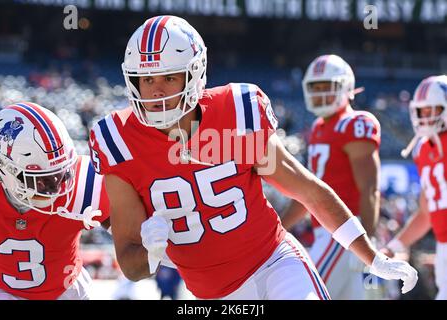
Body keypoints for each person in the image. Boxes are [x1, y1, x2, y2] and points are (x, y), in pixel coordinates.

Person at [89, 15, 417, 300]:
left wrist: (373, 257)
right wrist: (150, 251)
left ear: (194, 74)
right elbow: (131, 265)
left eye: (169, 77)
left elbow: (309, 192)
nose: (157, 91)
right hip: (208, 293)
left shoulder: (236, 113)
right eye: (147, 80)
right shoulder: (119, 143)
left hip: (274, 263)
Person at [280, 54, 381, 299]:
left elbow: (369, 188)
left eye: (328, 87)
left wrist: (366, 242)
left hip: (344, 230)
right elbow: (308, 192)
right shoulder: (317, 128)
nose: (321, 94)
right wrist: (278, 227)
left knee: (305, 293)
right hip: (326, 232)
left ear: (346, 86)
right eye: (316, 88)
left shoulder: (355, 123)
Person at [0, 102, 110, 300]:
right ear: (4, 170)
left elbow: (133, 237)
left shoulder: (85, 183)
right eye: (41, 180)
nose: (56, 189)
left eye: (61, 174)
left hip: (68, 291)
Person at [384, 75, 447, 300]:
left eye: (433, 110)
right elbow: (425, 214)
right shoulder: (422, 150)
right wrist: (392, 247)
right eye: (423, 111)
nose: (426, 117)